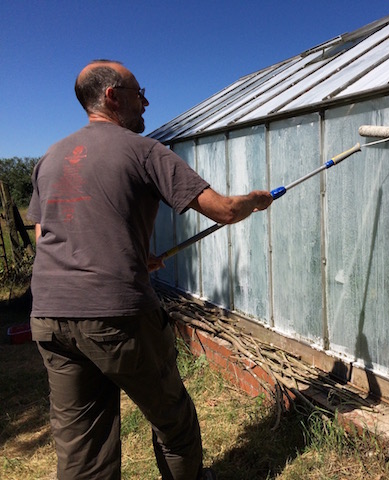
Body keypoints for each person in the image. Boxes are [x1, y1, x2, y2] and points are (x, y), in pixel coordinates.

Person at [27, 59, 273, 480]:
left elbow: (43, 234)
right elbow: (224, 211)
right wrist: (254, 200)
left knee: (82, 442)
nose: (146, 101)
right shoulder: (144, 150)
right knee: (172, 420)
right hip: (116, 317)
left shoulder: (51, 157)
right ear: (112, 95)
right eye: (139, 91)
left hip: (49, 316)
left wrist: (125, 254)